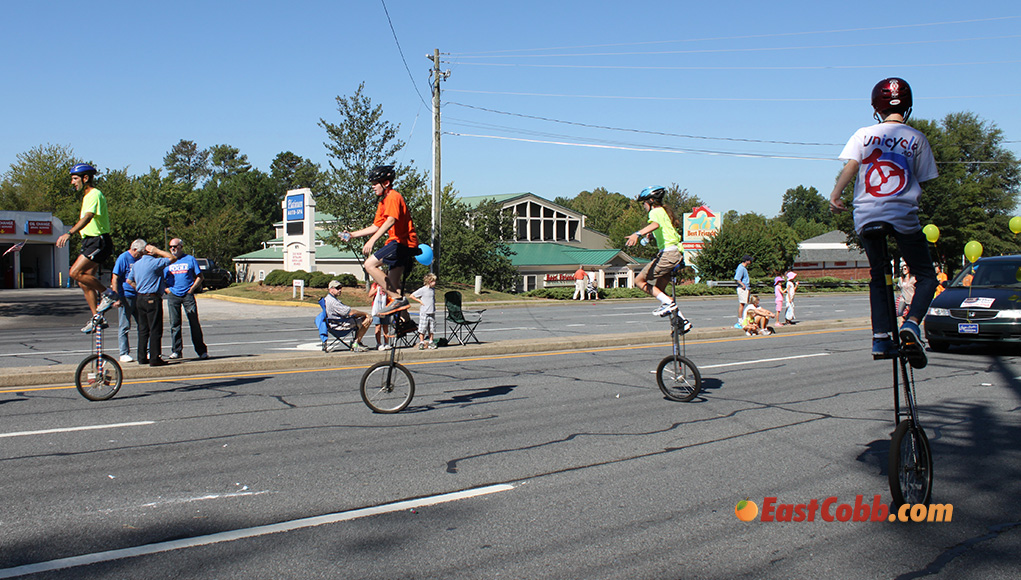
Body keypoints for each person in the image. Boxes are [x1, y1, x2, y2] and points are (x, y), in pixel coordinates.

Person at [829, 77, 938, 368]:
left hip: (867, 215)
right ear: (909, 106)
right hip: (902, 215)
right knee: (926, 276)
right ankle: (912, 324)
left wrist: (836, 196)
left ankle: (880, 337)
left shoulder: (863, 134)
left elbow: (852, 165)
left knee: (878, 275)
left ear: (876, 108)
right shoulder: (917, 138)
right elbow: (923, 180)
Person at [340, 165, 419, 317]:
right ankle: (406, 322)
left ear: (386, 183)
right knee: (392, 284)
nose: (372, 187)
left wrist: (371, 241)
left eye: (375, 183)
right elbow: (376, 225)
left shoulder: (393, 197)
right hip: (399, 244)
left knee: (369, 264)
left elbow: (390, 221)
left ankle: (397, 300)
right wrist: (352, 235)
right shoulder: (383, 202)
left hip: (401, 243)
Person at [55, 163, 119, 332]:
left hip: (98, 240)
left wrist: (69, 233)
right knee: (84, 282)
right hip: (89, 241)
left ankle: (109, 294)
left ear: (85, 178)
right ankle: (97, 317)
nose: (72, 182)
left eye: (75, 179)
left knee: (74, 273)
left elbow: (88, 218)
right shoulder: (86, 196)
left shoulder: (94, 194)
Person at [625, 186, 690, 332]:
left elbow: (655, 224)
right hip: (676, 254)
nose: (643, 206)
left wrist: (638, 234)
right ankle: (682, 320)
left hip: (667, 255)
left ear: (651, 201)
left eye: (644, 203)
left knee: (639, 281)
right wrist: (650, 235)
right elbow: (662, 229)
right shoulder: (664, 212)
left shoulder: (655, 212)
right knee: (659, 291)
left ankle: (670, 304)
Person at [126, 242, 176, 366]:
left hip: (140, 298)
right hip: (153, 298)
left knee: (143, 329)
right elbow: (172, 258)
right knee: (155, 329)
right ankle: (155, 358)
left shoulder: (137, 265)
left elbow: (129, 280)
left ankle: (142, 357)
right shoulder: (155, 263)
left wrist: (139, 288)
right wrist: (157, 250)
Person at [163, 238, 209, 360]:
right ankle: (176, 351)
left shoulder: (190, 259)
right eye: (171, 247)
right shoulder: (167, 261)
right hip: (173, 295)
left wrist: (192, 289)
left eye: (175, 246)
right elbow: (160, 279)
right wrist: (167, 290)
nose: (173, 249)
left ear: (181, 247)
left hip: (187, 295)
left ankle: (201, 351)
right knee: (175, 324)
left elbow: (200, 276)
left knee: (194, 322)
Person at [109, 239, 146, 363]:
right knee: (124, 325)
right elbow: (115, 278)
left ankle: (146, 351)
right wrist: (116, 296)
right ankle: (123, 353)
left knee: (143, 324)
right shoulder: (123, 258)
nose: (141, 255)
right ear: (134, 249)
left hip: (139, 296)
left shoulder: (140, 259)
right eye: (140, 253)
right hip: (126, 296)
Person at [324, 280, 371, 351]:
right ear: (331, 289)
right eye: (337, 288)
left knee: (359, 317)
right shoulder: (333, 302)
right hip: (339, 325)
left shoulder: (327, 299)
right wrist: (366, 314)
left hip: (334, 323)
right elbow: (350, 312)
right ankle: (356, 343)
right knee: (368, 319)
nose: (340, 290)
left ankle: (356, 341)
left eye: (340, 288)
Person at [409, 273, 438, 349]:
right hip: (424, 312)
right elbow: (412, 295)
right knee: (423, 328)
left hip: (432, 311)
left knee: (431, 328)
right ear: (429, 281)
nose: (435, 283)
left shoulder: (433, 290)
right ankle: (421, 342)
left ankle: (431, 341)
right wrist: (420, 301)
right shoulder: (423, 290)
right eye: (433, 281)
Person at [369, 281, 391, 350]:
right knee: (378, 326)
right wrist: (377, 289)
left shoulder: (388, 284)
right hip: (377, 309)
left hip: (385, 307)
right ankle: (379, 343)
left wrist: (386, 290)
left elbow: (392, 294)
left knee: (385, 326)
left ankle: (386, 343)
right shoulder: (375, 285)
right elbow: (370, 295)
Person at [733, 255, 753, 329]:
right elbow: (737, 278)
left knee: (745, 303)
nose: (750, 262)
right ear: (746, 261)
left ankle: (745, 319)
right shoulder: (741, 268)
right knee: (742, 304)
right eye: (749, 260)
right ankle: (740, 320)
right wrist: (743, 285)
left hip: (746, 288)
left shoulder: (743, 268)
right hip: (742, 289)